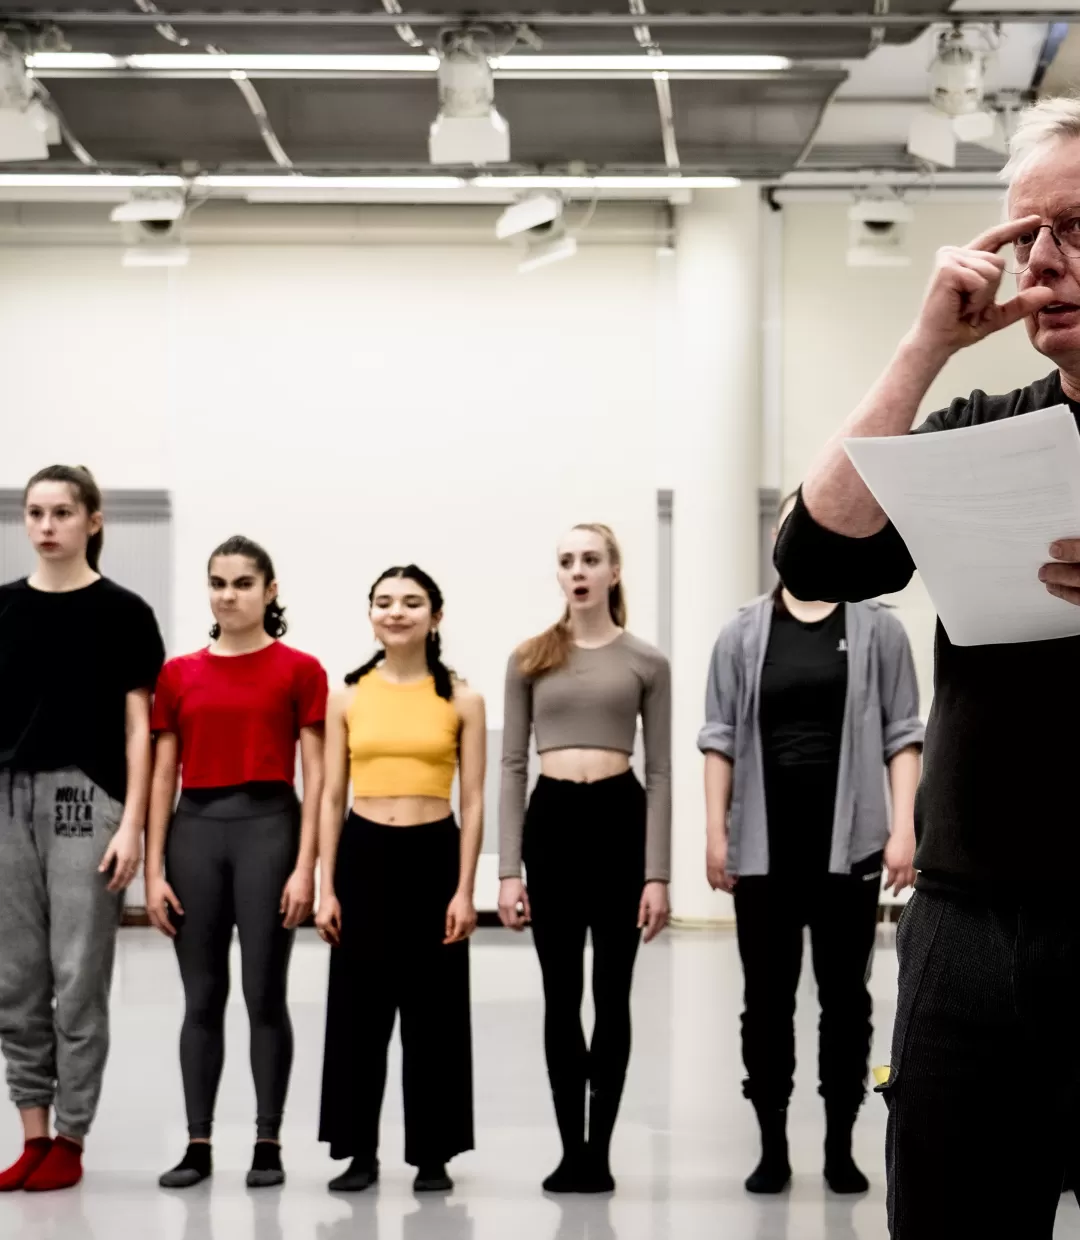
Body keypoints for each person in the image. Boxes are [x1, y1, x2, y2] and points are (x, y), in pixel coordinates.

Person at [774, 96, 1080, 1238]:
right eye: (1023, 235)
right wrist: (927, 346)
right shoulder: (983, 430)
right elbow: (815, 551)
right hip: (969, 925)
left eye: (1077, 228)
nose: (1044, 261)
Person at [699, 490, 923, 1198]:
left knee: (844, 1001)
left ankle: (837, 1146)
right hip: (763, 851)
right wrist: (715, 832)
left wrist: (904, 827)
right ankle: (770, 1146)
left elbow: (903, 733)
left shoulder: (879, 629)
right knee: (765, 1002)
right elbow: (719, 737)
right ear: (781, 531)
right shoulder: (741, 633)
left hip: (848, 851)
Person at [0, 465, 165, 1193]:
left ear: (93, 521)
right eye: (35, 512)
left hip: (84, 799)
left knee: (78, 972)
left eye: (62, 512)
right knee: (15, 978)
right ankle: (32, 1132)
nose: (45, 525)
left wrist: (130, 823)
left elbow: (140, 727)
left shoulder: (123, 612)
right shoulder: (0, 609)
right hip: (5, 798)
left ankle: (71, 1136)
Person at [146, 535, 327, 1190]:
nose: (229, 595)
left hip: (270, 830)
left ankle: (268, 1141)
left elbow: (319, 777)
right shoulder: (179, 673)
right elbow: (164, 775)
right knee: (202, 997)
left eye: (243, 583)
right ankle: (198, 1145)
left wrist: (305, 867)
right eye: (218, 583)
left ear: (270, 592)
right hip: (193, 832)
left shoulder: (300, 670)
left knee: (262, 993)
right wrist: (154, 868)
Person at [498, 523, 671, 1195]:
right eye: (567, 560)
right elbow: (512, 765)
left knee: (613, 995)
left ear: (613, 571)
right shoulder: (530, 658)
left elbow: (659, 774)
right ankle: (572, 1148)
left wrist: (657, 873)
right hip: (553, 825)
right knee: (561, 995)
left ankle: (601, 1150)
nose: (578, 570)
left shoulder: (646, 663)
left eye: (590, 559)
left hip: (619, 820)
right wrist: (508, 869)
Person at [316, 565, 485, 1196]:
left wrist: (466, 889)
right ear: (371, 616)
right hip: (363, 853)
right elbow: (332, 795)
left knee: (434, 1010)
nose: (397, 612)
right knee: (359, 1010)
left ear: (434, 617)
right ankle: (358, 1151)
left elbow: (473, 801)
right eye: (384, 602)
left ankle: (434, 1152)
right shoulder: (349, 696)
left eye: (412, 602)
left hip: (433, 854)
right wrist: (326, 885)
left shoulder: (463, 698)